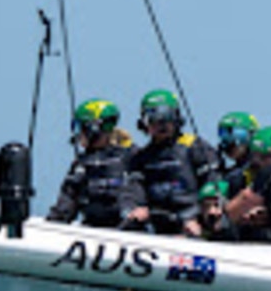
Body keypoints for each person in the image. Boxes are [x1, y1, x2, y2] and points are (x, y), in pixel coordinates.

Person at [126, 90, 222, 237]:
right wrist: (136, 209)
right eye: (154, 119)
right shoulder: (141, 157)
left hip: (193, 222)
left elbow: (213, 180)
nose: (162, 126)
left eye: (167, 118)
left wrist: (204, 215)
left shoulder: (194, 146)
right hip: (156, 227)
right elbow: (133, 191)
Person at [46, 99, 137, 228]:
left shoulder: (131, 157)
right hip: (92, 233)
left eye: (80, 127)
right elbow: (67, 202)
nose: (78, 134)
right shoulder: (80, 165)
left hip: (130, 233)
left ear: (93, 128)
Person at [217, 111, 259, 196]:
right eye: (223, 134)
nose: (230, 143)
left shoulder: (258, 168)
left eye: (238, 136)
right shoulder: (229, 173)